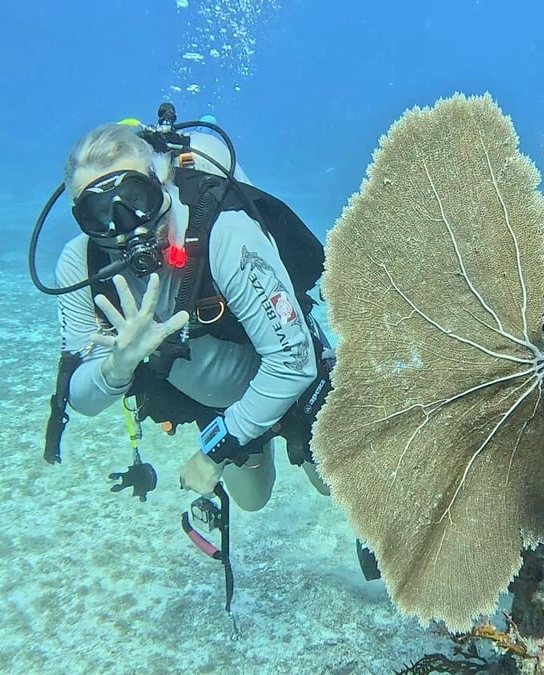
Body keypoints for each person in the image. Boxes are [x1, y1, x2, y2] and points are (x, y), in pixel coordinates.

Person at [48, 116, 332, 511]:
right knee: (252, 499)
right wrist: (117, 365)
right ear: (82, 220)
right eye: (100, 213)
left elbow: (293, 361)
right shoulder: (80, 266)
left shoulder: (223, 232)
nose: (125, 225)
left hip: (291, 385)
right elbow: (83, 399)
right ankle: (246, 445)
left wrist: (215, 451)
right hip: (216, 402)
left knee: (333, 485)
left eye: (135, 198)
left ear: (160, 179)